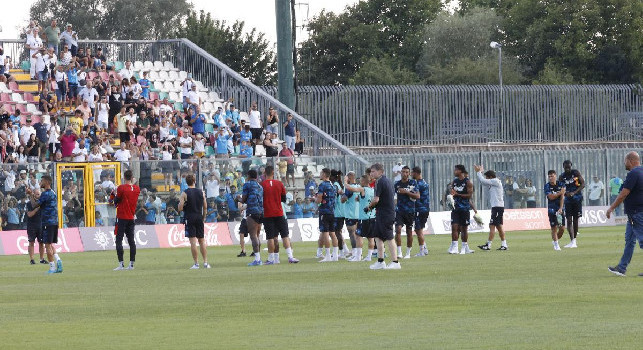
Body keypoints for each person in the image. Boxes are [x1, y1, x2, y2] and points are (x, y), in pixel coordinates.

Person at [607, 152, 643, 277]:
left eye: (625, 160)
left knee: (642, 240)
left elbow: (623, 194)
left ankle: (622, 268)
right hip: (634, 214)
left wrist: (611, 208)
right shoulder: (641, 172)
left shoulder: (633, 173)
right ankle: (621, 268)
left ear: (631, 160)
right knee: (630, 241)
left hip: (636, 213)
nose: (624, 163)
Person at [261, 166, 299, 264]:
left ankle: (271, 259)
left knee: (270, 237)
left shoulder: (262, 185)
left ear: (265, 173)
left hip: (268, 214)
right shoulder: (279, 184)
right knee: (285, 236)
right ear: (273, 172)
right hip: (279, 213)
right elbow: (283, 199)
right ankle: (290, 257)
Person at [367, 163, 400, 269]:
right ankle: (380, 261)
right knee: (378, 236)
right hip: (382, 213)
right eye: (371, 172)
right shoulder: (387, 181)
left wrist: (369, 207)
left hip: (386, 214)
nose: (371, 174)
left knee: (389, 237)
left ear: (380, 172)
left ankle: (395, 262)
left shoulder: (380, 181)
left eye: (373, 171)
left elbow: (376, 199)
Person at [26, 175, 62, 274]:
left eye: (41, 181)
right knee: (50, 244)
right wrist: (32, 194)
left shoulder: (45, 194)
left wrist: (30, 194)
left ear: (46, 182)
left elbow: (34, 205)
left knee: (47, 246)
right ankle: (58, 260)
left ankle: (52, 267)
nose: (40, 182)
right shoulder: (52, 192)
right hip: (54, 222)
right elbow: (40, 202)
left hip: (47, 222)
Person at [178, 174, 210, 269]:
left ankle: (196, 263)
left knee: (193, 242)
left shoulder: (184, 193)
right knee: (202, 240)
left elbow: (180, 208)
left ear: (186, 182)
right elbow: (205, 207)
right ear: (194, 181)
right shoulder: (201, 192)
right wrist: (203, 217)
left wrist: (181, 205)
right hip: (199, 217)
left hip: (190, 217)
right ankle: (205, 262)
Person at [111, 170, 140, 270]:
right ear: (132, 177)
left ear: (124, 177)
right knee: (131, 241)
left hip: (122, 217)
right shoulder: (136, 189)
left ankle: (121, 264)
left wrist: (113, 193)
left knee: (119, 240)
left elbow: (116, 201)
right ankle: (131, 264)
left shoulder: (121, 188)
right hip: (131, 217)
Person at [473, 165, 507, 251]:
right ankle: (504, 244)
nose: (487, 179)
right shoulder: (494, 182)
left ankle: (488, 245)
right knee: (499, 226)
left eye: (487, 177)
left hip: (497, 207)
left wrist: (478, 172)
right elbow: (483, 182)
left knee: (492, 226)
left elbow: (483, 180)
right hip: (497, 207)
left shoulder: (495, 181)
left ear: (491, 177)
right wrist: (481, 172)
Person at [346, 174, 376, 261]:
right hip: (372, 217)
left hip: (364, 218)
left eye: (361, 181)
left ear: (363, 181)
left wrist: (345, 182)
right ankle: (369, 257)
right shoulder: (372, 190)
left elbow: (351, 189)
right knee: (371, 238)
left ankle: (358, 256)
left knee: (358, 236)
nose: (359, 183)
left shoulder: (363, 189)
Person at [448, 164, 475, 255]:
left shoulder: (468, 182)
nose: (454, 171)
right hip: (455, 208)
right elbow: (452, 192)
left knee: (464, 228)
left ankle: (464, 247)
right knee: (454, 227)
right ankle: (455, 247)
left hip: (464, 208)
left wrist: (457, 194)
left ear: (460, 171)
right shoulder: (454, 181)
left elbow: (469, 196)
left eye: (456, 170)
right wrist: (450, 196)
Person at [394, 166, 418, 259]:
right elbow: (393, 196)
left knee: (409, 232)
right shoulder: (396, 184)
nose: (404, 174)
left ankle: (408, 253)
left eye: (406, 172)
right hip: (399, 210)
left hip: (410, 210)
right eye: (403, 172)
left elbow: (417, 196)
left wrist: (406, 192)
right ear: (401, 173)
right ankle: (399, 252)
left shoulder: (413, 183)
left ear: (409, 173)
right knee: (398, 229)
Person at [241, 169, 264, 266]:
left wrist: (239, 199)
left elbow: (244, 199)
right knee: (257, 235)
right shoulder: (260, 186)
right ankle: (259, 258)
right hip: (261, 212)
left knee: (253, 236)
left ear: (249, 175)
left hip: (252, 211)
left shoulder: (247, 184)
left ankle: (257, 259)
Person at [560, 160, 585, 248]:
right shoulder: (562, 177)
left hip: (577, 199)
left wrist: (574, 192)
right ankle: (572, 241)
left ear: (571, 166)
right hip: (568, 201)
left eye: (569, 167)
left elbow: (583, 184)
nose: (567, 168)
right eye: (566, 167)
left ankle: (574, 240)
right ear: (563, 167)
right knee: (569, 220)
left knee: (575, 220)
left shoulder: (576, 173)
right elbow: (560, 188)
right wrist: (566, 193)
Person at [315, 168, 336, 262]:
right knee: (333, 233)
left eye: (320, 173)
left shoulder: (322, 185)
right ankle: (335, 255)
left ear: (324, 174)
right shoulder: (332, 185)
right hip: (332, 211)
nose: (319, 174)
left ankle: (327, 256)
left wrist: (317, 201)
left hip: (324, 211)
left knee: (325, 233)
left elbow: (319, 199)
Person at [544, 170, 565, 251]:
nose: (550, 178)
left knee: (562, 228)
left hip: (559, 209)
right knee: (554, 227)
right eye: (549, 176)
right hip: (551, 209)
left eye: (552, 176)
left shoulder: (561, 184)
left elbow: (562, 197)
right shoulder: (547, 186)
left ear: (555, 176)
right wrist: (559, 193)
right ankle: (556, 245)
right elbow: (551, 197)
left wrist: (561, 208)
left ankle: (555, 241)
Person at [411, 167, 430, 257]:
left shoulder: (418, 184)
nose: (411, 174)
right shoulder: (424, 182)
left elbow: (416, 196)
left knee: (418, 230)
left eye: (412, 173)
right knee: (419, 229)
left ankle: (422, 251)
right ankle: (424, 249)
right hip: (425, 208)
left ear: (416, 173)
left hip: (420, 208)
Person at [26, 189, 46, 265]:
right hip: (31, 225)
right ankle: (32, 259)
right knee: (31, 242)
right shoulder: (28, 204)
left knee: (41, 243)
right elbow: (29, 214)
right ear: (33, 194)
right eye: (37, 194)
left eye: (39, 194)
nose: (39, 196)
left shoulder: (41, 203)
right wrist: (36, 209)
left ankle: (42, 259)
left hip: (40, 225)